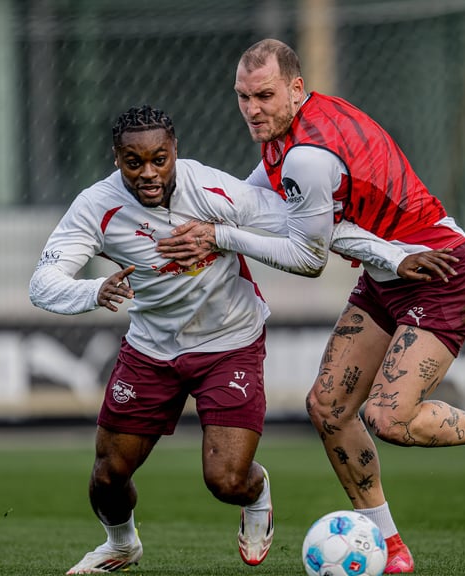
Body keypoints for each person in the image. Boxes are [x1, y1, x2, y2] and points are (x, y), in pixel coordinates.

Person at [156, 39, 465, 574]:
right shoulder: (292, 129)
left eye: (263, 95)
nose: (252, 109)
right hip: (389, 276)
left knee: (389, 418)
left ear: (295, 88)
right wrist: (198, 235)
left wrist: (218, 237)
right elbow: (252, 203)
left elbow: (307, 257)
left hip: (440, 274)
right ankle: (390, 545)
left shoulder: (308, 157)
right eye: (242, 97)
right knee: (328, 408)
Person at [29, 104, 404, 574]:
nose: (148, 173)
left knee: (226, 480)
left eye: (158, 159)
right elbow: (43, 282)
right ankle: (121, 544)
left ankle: (258, 493)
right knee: (107, 476)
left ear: (175, 152)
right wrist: (92, 289)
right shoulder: (95, 206)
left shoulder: (212, 187)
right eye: (133, 162)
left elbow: (305, 226)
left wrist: (395, 256)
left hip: (230, 342)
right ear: (116, 157)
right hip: (151, 349)